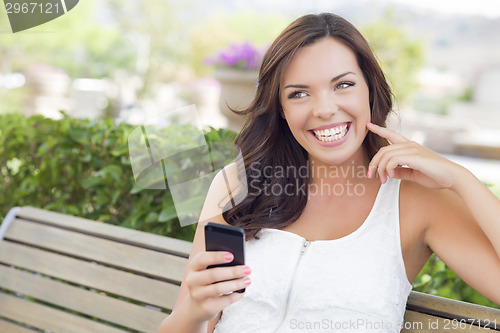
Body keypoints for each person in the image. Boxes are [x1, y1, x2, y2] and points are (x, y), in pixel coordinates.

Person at [158, 12, 500, 333]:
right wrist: (195, 311)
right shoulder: (237, 184)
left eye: (343, 85)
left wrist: (461, 179)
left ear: (370, 88)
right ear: (281, 108)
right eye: (299, 93)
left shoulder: (418, 199)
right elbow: (182, 322)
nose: (324, 109)